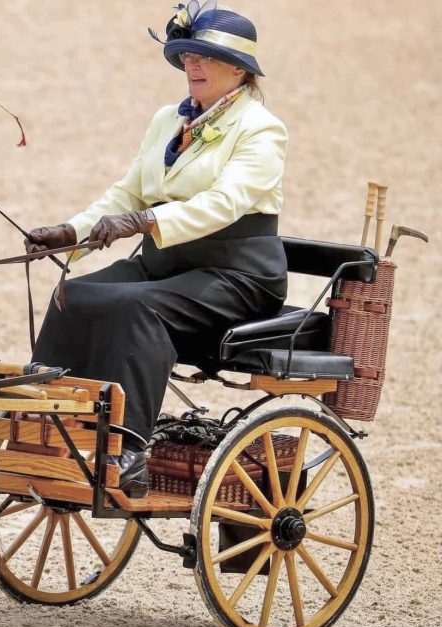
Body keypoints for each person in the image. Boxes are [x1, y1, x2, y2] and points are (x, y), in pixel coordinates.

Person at [25, 3, 288, 497]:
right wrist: (71, 231)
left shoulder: (261, 128)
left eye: (205, 56)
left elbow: (223, 202)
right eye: (187, 54)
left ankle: (127, 450)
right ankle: (43, 427)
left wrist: (143, 222)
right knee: (72, 296)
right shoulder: (168, 119)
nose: (193, 64)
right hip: (165, 263)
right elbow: (128, 191)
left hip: (235, 276)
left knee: (137, 306)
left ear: (240, 70)